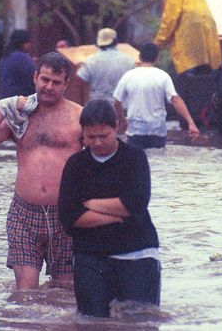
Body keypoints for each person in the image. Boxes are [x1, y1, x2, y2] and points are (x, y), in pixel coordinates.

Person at [0, 52, 82, 290]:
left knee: (65, 293)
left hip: (65, 215)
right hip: (24, 214)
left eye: (56, 82)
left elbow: (100, 159)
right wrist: (4, 107)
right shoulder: (19, 115)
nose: (49, 86)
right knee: (25, 292)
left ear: (66, 84)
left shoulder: (79, 117)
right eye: (44, 79)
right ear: (35, 78)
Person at [58, 99, 161, 318]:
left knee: (140, 319)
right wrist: (120, 216)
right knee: (90, 321)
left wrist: (91, 204)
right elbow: (70, 217)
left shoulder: (135, 158)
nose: (96, 143)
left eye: (103, 136)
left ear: (116, 127)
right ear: (82, 133)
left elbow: (136, 204)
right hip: (90, 255)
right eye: (90, 137)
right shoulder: (75, 165)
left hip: (137, 252)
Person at [113, 43, 199, 150]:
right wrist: (191, 122)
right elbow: (175, 100)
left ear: (140, 57)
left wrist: (122, 119)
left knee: (135, 162)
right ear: (157, 58)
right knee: (157, 161)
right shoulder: (163, 76)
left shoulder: (128, 76)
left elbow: (117, 102)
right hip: (157, 130)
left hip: (135, 130)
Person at [152, 0, 222, 76]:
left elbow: (170, 19)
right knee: (203, 75)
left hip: (188, 40)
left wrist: (158, 43)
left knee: (189, 73)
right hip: (207, 39)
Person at [76, 28, 135, 104]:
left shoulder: (91, 61)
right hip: (122, 106)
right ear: (116, 41)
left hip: (98, 106)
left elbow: (80, 80)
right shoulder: (129, 60)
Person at [0, 29, 36, 99]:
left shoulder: (5, 57)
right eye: (28, 42)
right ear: (22, 43)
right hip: (19, 101)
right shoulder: (23, 58)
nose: (30, 45)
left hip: (4, 99)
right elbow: (33, 79)